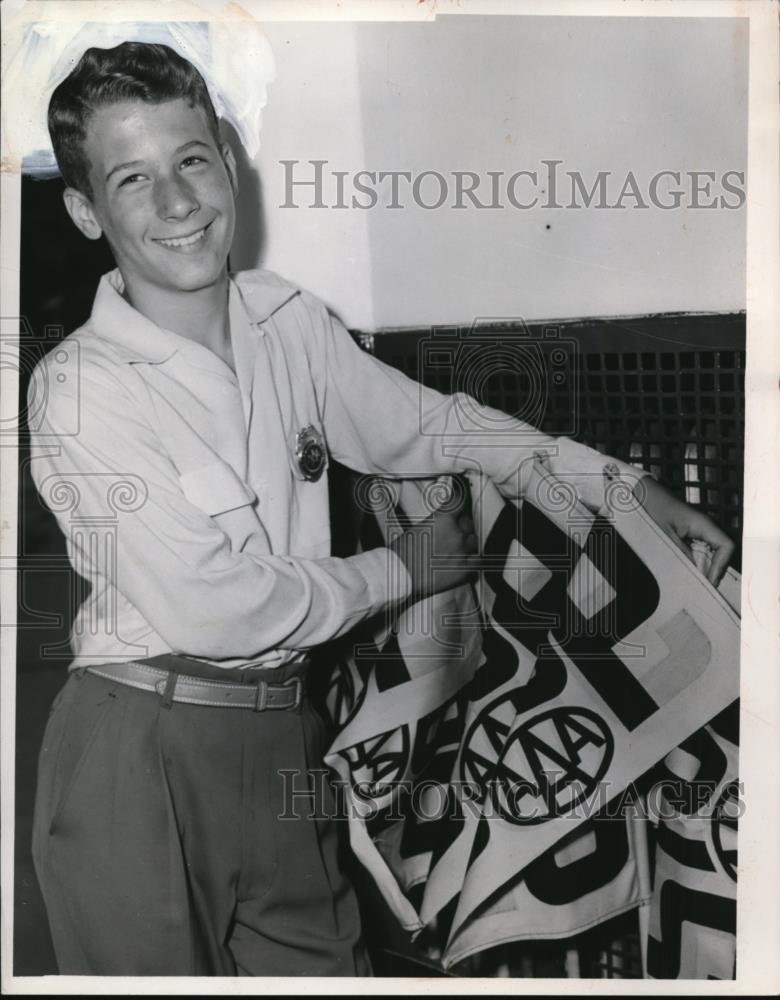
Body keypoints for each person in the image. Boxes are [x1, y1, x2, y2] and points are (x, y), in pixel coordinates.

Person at [27, 41, 734, 977]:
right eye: (132, 179)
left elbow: (437, 429)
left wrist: (619, 486)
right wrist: (407, 570)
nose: (177, 202)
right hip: (139, 742)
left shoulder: (289, 324)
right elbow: (219, 605)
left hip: (283, 727)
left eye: (191, 160)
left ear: (229, 160)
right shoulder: (78, 388)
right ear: (85, 210)